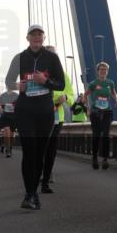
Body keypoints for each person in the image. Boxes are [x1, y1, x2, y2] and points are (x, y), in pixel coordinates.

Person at [6, 24, 65, 209]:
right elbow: (8, 81)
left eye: (40, 35)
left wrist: (45, 81)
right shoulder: (20, 58)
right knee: (29, 150)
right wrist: (18, 87)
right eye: (33, 35)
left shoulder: (52, 58)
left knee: (40, 153)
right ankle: (29, 194)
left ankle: (34, 193)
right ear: (28, 38)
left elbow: (61, 84)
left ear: (43, 38)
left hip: (45, 112)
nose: (36, 38)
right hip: (25, 111)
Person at [39, 44, 73, 194]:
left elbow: (71, 96)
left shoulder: (63, 75)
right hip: (39, 116)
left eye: (54, 55)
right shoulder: (38, 74)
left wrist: (66, 97)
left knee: (51, 149)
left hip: (56, 117)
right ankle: (40, 171)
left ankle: (46, 178)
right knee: (41, 148)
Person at [85, 62, 117, 169]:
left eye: (105, 70)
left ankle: (105, 159)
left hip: (107, 111)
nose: (103, 71)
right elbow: (85, 95)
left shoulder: (110, 83)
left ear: (107, 71)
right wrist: (88, 107)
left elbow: (113, 92)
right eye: (101, 69)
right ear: (98, 71)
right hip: (95, 112)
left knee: (106, 134)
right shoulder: (93, 83)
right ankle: (94, 157)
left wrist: (116, 100)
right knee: (96, 135)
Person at [0, 89, 19, 158]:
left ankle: (10, 146)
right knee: (6, 132)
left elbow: (20, 105)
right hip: (5, 117)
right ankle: (8, 150)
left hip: (14, 117)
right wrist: (0, 109)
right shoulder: (3, 95)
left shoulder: (16, 95)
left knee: (12, 135)